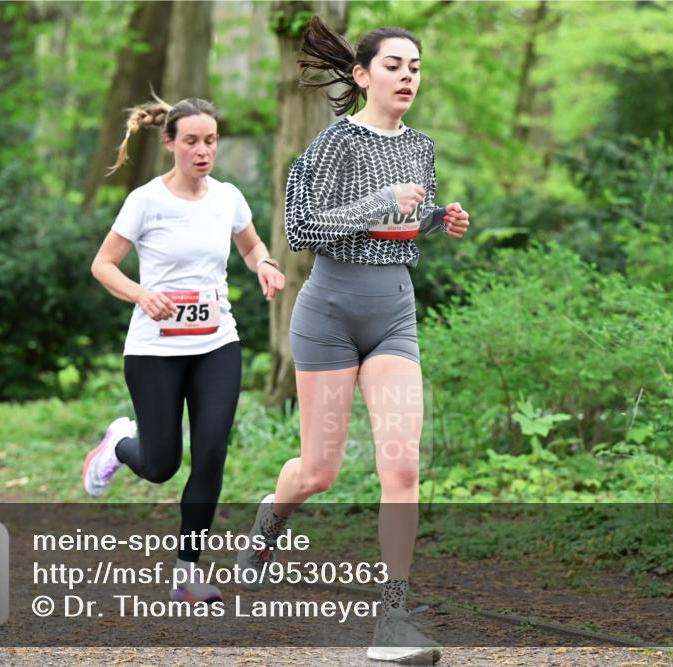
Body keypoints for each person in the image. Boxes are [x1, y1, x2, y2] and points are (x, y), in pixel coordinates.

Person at [235, 17, 470, 664]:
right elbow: (304, 228)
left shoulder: (420, 147)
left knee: (402, 466)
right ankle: (268, 522)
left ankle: (391, 618)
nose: (407, 77)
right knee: (319, 471)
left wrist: (435, 218)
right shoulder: (334, 143)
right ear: (363, 75)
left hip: (393, 312)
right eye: (394, 65)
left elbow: (404, 220)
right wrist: (380, 201)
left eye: (416, 67)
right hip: (330, 315)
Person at [83, 96, 285, 604]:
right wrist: (140, 293)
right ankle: (118, 444)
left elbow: (250, 245)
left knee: (212, 452)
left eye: (211, 141)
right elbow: (103, 265)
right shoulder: (146, 201)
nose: (202, 151)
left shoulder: (228, 198)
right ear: (170, 142)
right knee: (161, 465)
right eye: (191, 141)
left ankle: (186, 572)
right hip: (155, 349)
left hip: (217, 342)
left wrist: (264, 263)